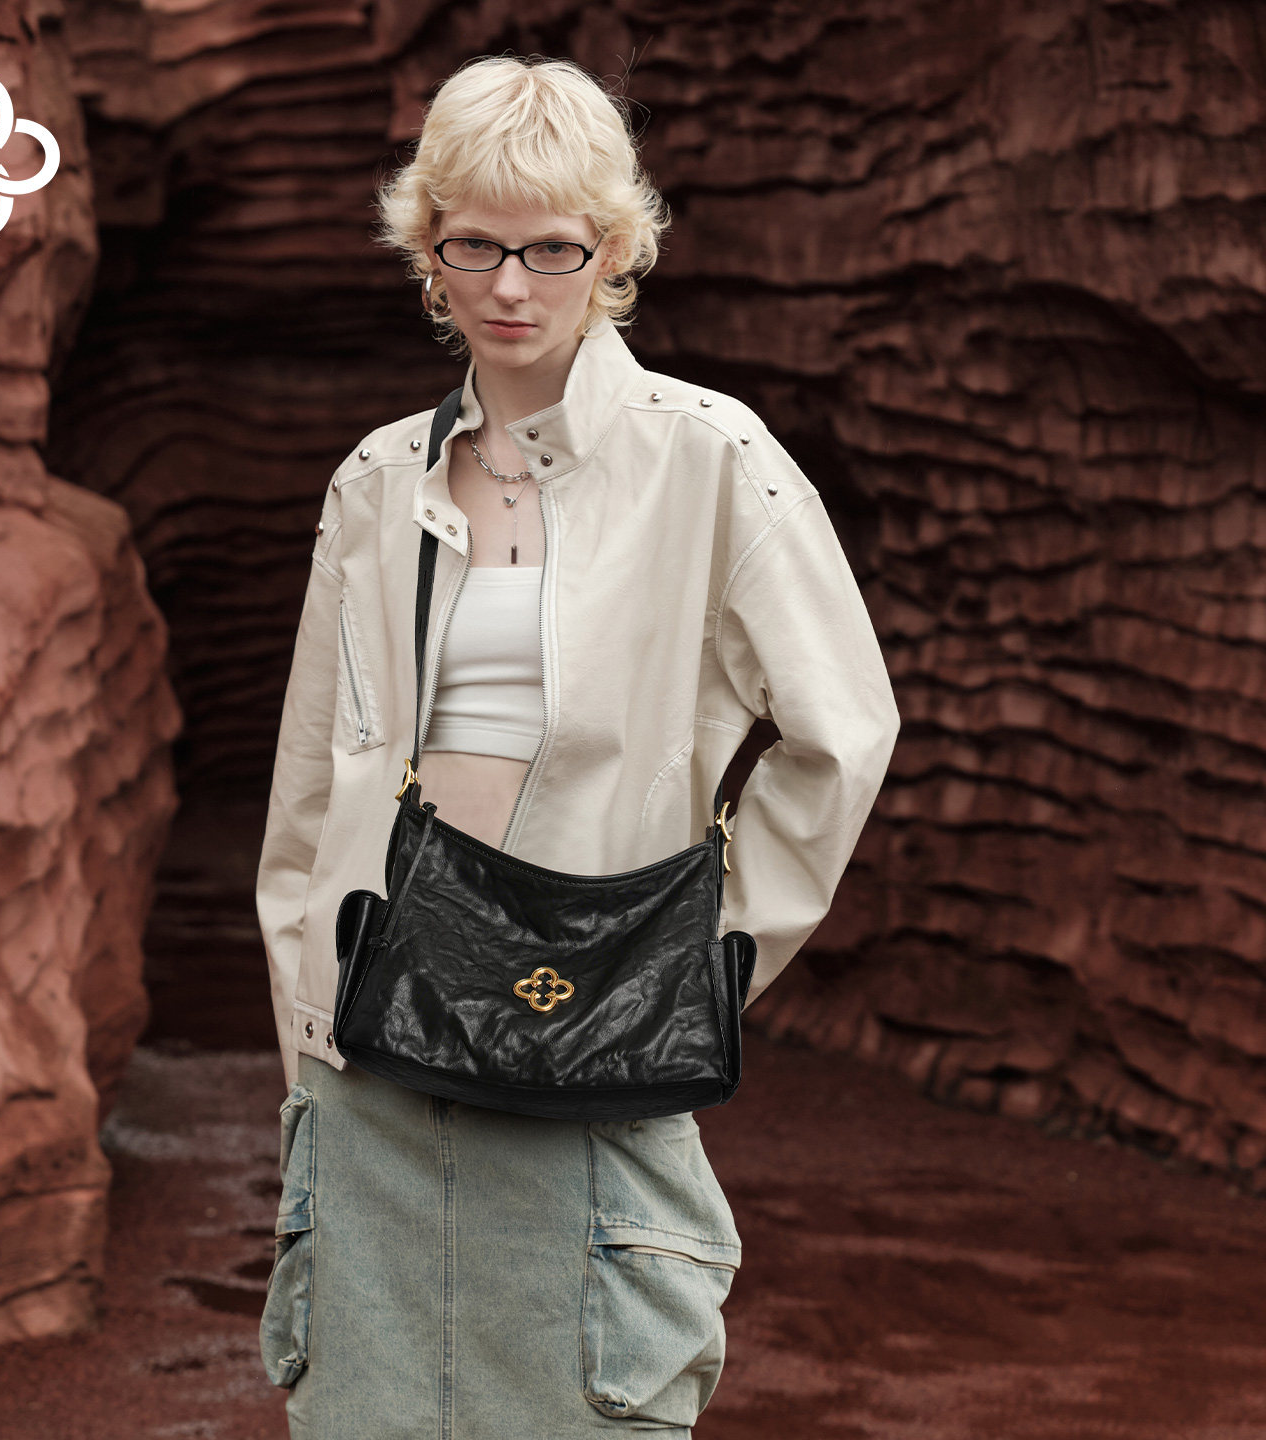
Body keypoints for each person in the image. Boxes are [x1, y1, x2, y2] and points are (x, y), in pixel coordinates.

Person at [254, 54, 900, 1439]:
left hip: (590, 1057)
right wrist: (306, 1032)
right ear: (427, 248)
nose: (509, 286)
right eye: (473, 244)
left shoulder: (710, 458)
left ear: (611, 250)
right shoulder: (376, 482)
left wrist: (703, 957)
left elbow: (844, 733)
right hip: (374, 1068)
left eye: (551, 248)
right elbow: (315, 783)